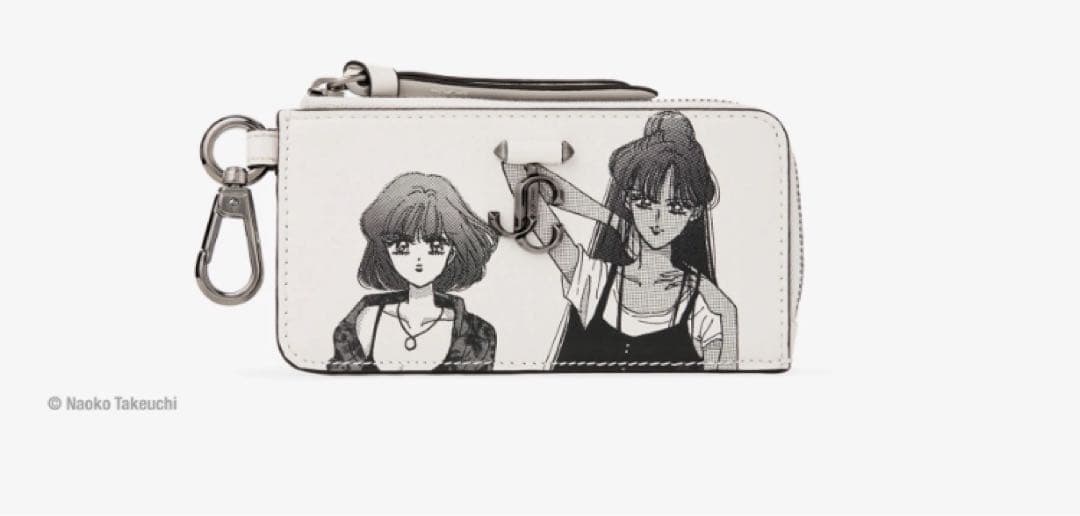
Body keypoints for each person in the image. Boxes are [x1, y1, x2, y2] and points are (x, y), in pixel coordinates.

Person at [502, 111, 738, 371]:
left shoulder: (702, 302)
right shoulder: (593, 279)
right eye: (645, 202)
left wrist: (728, 312)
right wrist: (612, 220)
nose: (658, 220)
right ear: (627, 200)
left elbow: (723, 385)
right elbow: (515, 169)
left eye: (676, 208)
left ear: (695, 213)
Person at [328, 172, 498, 372]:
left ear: (452, 252)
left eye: (435, 247)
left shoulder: (477, 335)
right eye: (402, 247)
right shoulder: (365, 319)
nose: (418, 260)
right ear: (385, 250)